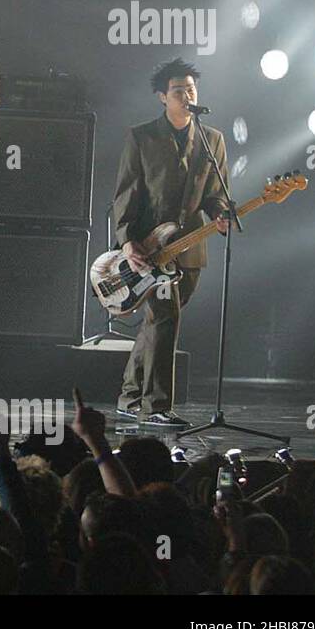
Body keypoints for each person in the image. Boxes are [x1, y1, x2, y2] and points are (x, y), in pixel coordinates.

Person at [111, 57, 229, 427]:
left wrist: (222, 212)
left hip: (191, 247)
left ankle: (129, 397)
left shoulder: (212, 141)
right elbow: (125, 194)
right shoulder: (141, 136)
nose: (187, 95)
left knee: (157, 323)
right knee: (165, 318)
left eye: (191, 89)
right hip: (151, 246)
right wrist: (128, 240)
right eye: (179, 91)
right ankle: (157, 407)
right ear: (163, 97)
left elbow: (215, 192)